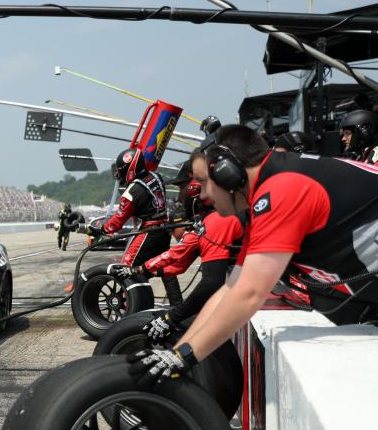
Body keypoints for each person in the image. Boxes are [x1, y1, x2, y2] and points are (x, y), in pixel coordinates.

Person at [128, 124, 378, 388]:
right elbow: (232, 288)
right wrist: (176, 352)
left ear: (227, 174)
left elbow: (250, 294)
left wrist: (183, 358)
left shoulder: (282, 190)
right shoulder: (269, 190)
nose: (201, 195)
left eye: (202, 182)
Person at [112, 155, 244, 343]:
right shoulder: (207, 221)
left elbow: (210, 282)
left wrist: (172, 317)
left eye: (182, 188)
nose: (180, 195)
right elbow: (179, 261)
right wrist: (143, 270)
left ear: (195, 189)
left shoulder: (217, 221)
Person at [90, 147, 183, 305]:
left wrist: (100, 228)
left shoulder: (132, 191)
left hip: (150, 230)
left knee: (127, 265)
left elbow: (117, 222)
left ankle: (129, 305)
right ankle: (177, 305)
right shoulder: (156, 176)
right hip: (164, 228)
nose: (120, 175)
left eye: (122, 170)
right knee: (165, 267)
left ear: (130, 169)